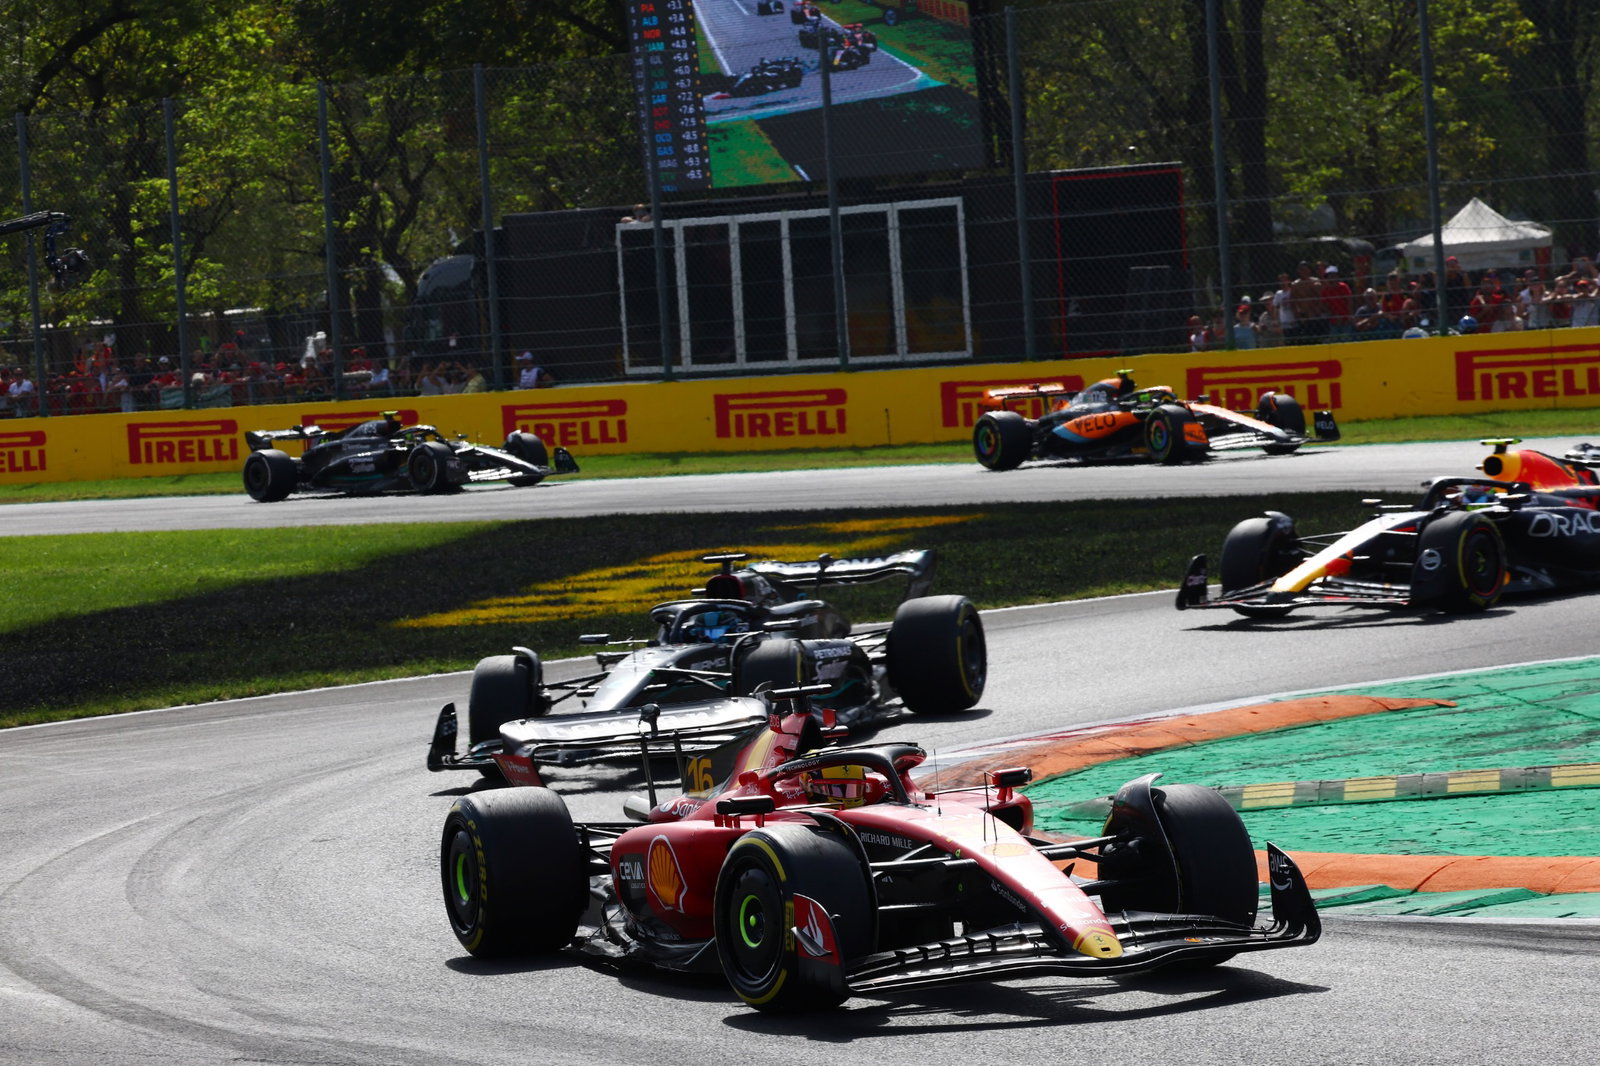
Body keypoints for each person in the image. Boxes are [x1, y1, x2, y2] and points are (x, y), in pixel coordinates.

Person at [1288, 261, 1325, 341]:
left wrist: (1318, 309)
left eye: (1305, 269)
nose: (1303, 272)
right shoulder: (1295, 285)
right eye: (1301, 270)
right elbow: (1292, 301)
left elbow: (1321, 297)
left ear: (1309, 270)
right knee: (1306, 339)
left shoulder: (1315, 282)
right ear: (1298, 271)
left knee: (1319, 338)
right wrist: (1296, 315)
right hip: (1303, 316)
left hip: (1315, 314)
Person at [1321, 265, 1353, 342]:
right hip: (1333, 321)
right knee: (1334, 340)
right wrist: (1333, 316)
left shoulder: (1343, 287)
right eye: (1329, 276)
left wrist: (1348, 316)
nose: (1331, 278)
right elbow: (1325, 306)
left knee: (1346, 340)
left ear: (1337, 276)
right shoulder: (1325, 290)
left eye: (1333, 275)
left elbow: (1349, 302)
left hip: (1345, 319)